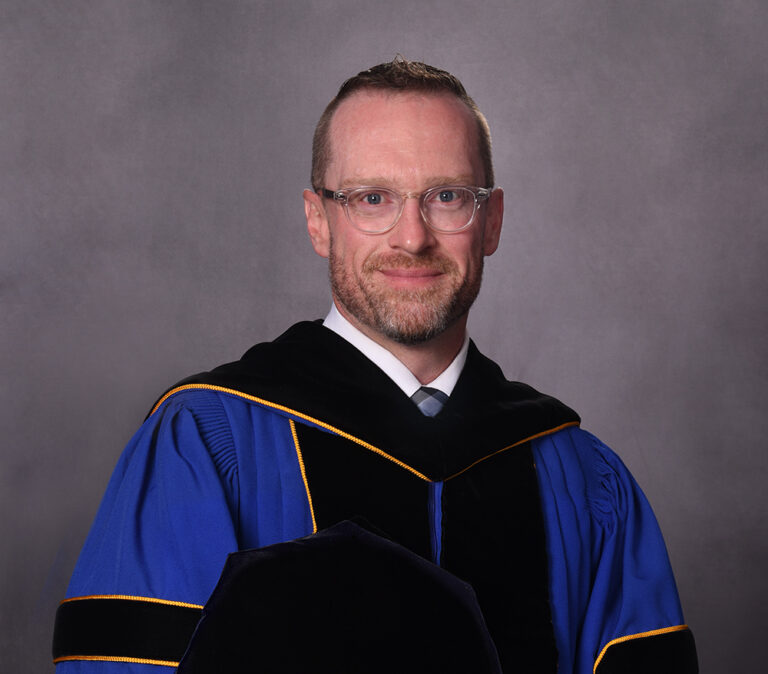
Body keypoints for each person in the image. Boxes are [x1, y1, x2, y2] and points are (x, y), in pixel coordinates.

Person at [53, 58, 698, 674]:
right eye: (371, 199)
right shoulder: (204, 443)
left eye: (446, 196)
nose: (412, 236)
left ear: (492, 221)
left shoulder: (583, 479)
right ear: (318, 221)